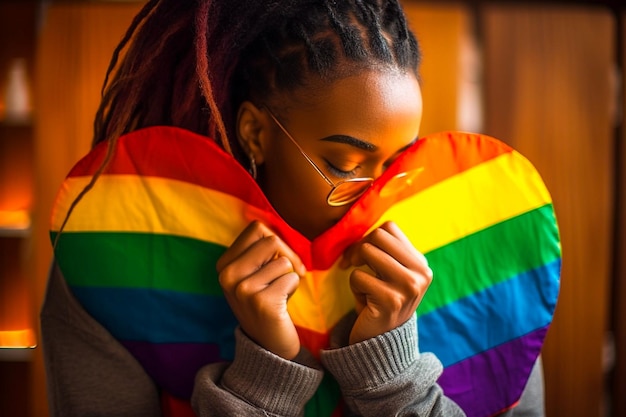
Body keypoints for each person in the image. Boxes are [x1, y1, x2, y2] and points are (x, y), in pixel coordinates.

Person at [41, 1, 548, 416]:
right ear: (256, 133)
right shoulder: (108, 256)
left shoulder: (491, 243)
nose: (377, 196)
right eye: (345, 163)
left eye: (399, 164)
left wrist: (395, 378)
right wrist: (262, 379)